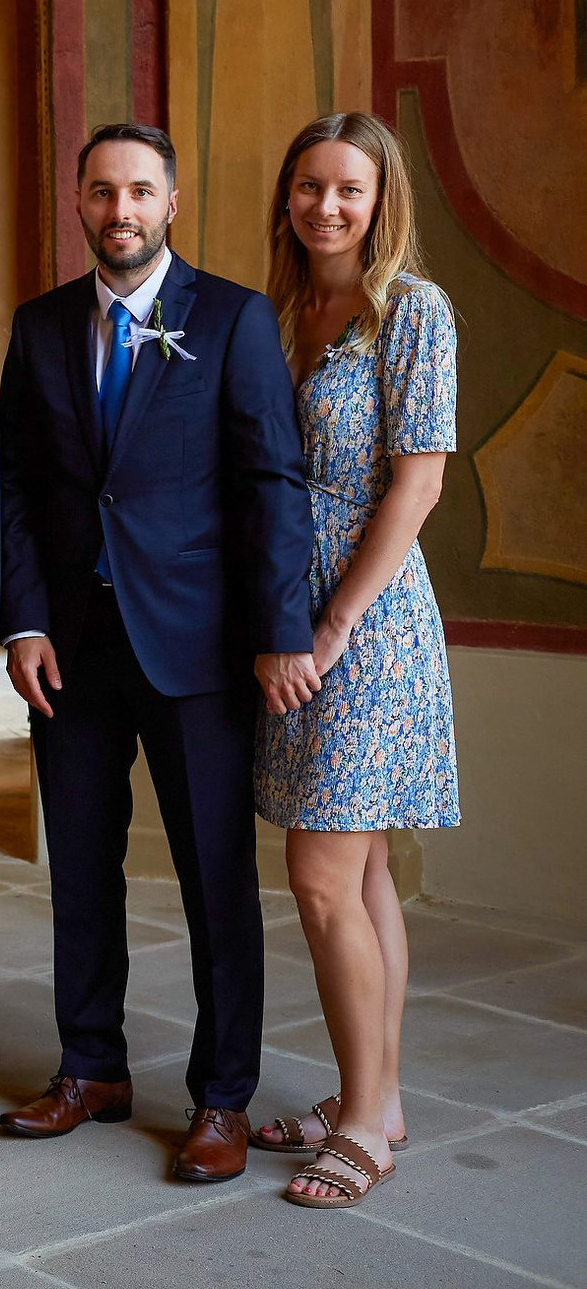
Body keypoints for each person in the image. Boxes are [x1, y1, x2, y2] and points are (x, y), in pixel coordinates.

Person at [0, 122, 317, 1184]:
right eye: (100, 192)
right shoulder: (39, 326)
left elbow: (272, 483)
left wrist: (278, 633)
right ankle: (91, 1067)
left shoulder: (232, 319)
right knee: (79, 869)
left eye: (138, 192)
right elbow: (18, 492)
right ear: (79, 203)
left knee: (214, 880)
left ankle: (220, 1096)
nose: (118, 211)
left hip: (199, 650)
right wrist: (25, 620)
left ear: (169, 203)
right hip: (73, 650)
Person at [248, 113, 457, 1209]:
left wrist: (330, 626)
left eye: (348, 189)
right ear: (284, 197)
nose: (325, 206)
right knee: (362, 870)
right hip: (289, 606)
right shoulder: (280, 310)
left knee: (323, 879)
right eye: (307, 187)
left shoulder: (413, 313)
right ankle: (372, 1094)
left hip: (364, 620)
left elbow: (415, 485)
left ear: (381, 201)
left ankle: (365, 1124)